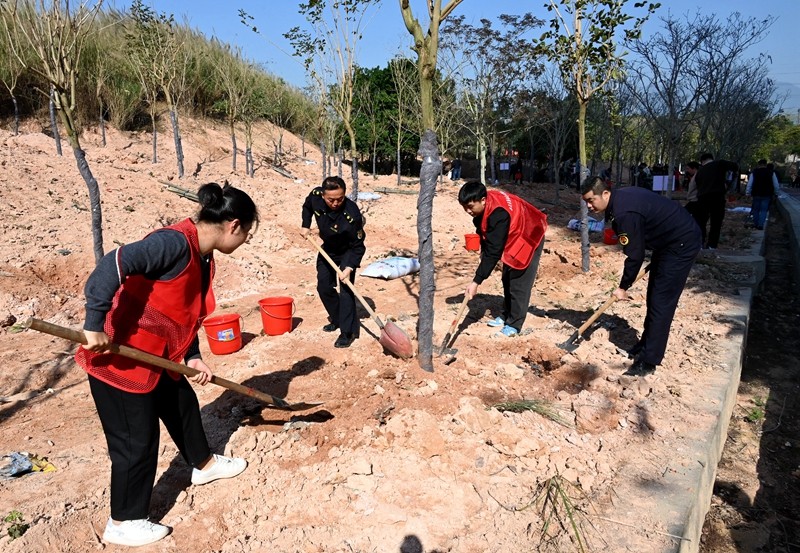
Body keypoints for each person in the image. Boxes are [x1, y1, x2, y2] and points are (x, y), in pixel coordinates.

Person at [75, 182, 258, 547]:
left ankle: (203, 465)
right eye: (247, 234)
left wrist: (192, 355)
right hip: (121, 359)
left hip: (157, 356)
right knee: (136, 440)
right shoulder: (172, 244)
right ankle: (124, 521)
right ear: (234, 225)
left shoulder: (202, 254)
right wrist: (94, 324)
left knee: (182, 403)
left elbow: (181, 310)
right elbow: (114, 263)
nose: (245, 241)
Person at [581, 176, 701, 377]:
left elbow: (635, 256)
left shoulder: (625, 213)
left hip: (681, 243)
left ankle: (649, 361)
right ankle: (646, 344)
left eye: (591, 200)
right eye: (586, 201)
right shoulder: (619, 201)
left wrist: (623, 286)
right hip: (668, 239)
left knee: (661, 302)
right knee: (654, 296)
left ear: (605, 194)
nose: (588, 206)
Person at [458, 181, 548, 337]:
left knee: (519, 282)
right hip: (515, 232)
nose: (467, 211)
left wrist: (476, 281)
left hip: (529, 233)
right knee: (507, 277)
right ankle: (506, 314)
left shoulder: (498, 214)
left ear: (483, 200)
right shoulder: (486, 204)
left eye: (470, 206)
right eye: (464, 207)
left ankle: (514, 324)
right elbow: (485, 232)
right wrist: (483, 253)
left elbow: (494, 251)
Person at [301, 176, 366, 348]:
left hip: (347, 251)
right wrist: (305, 225)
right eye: (331, 200)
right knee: (323, 286)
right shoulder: (315, 196)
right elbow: (307, 206)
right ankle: (337, 318)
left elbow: (358, 246)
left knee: (346, 289)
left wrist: (349, 268)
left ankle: (347, 332)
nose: (336, 203)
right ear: (323, 195)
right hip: (328, 248)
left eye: (340, 199)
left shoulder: (352, 214)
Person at [692, 152, 737, 249]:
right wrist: (728, 183)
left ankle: (700, 242)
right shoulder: (719, 163)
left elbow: (697, 185)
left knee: (701, 221)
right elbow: (735, 167)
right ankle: (712, 244)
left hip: (702, 198)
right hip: (717, 196)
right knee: (716, 222)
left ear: (702, 161)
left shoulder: (700, 171)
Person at [746, 159, 781, 230]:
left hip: (756, 193)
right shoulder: (771, 172)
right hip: (767, 194)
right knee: (764, 210)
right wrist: (776, 193)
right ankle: (761, 224)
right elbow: (776, 185)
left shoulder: (754, 172)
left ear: (758, 164)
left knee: (756, 209)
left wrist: (748, 192)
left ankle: (756, 223)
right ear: (765, 164)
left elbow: (750, 184)